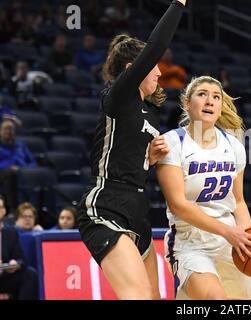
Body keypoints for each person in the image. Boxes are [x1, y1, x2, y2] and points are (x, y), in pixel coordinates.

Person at [77, 0, 186, 300]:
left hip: (138, 210)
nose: (159, 74)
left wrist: (147, 160)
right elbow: (156, 44)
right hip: (106, 205)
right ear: (131, 70)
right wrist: (179, 4)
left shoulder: (150, 111)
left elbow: (121, 153)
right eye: (154, 68)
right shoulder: (118, 96)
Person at [156, 76, 251, 300]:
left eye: (216, 97)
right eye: (202, 94)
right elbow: (178, 205)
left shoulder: (234, 146)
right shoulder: (172, 143)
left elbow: (239, 202)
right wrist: (229, 232)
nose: (210, 101)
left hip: (230, 239)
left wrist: (245, 238)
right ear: (187, 103)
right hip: (190, 242)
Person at [0, 196, 38, 300]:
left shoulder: (10, 232)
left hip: (4, 276)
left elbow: (21, 259)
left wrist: (15, 263)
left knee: (30, 274)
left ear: (4, 211)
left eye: (1, 207)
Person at [0, 119, 36, 212]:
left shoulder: (20, 145)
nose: (8, 131)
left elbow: (32, 162)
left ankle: (32, 209)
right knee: (10, 174)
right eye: (6, 129)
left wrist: (24, 169)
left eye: (11, 129)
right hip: (3, 173)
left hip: (22, 172)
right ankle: (12, 210)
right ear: (0, 131)